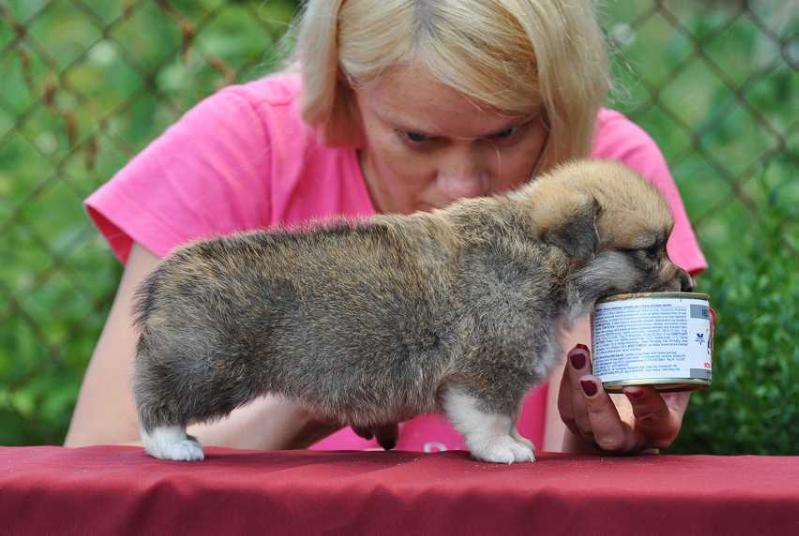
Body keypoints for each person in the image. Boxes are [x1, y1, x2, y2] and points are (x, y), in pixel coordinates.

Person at [64, 0, 707, 455]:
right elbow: (100, 465)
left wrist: (601, 433)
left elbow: (587, 457)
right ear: (346, 89)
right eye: (418, 136)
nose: (463, 182)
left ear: (558, 99)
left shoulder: (610, 189)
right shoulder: (239, 147)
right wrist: (310, 394)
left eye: (507, 132)